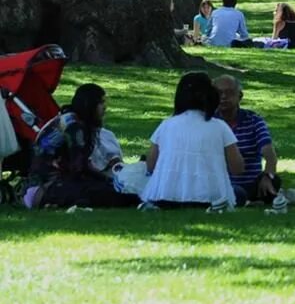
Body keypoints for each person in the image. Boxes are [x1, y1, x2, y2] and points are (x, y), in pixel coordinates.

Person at [142, 72, 243, 210]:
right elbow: (237, 168)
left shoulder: (166, 125)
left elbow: (150, 165)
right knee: (240, 194)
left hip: (163, 197)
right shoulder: (220, 126)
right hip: (211, 199)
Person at [27, 84, 136, 209]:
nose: (104, 107)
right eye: (100, 103)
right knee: (110, 193)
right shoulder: (74, 127)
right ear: (89, 104)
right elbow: (79, 168)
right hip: (46, 187)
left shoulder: (71, 120)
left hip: (51, 183)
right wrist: (107, 180)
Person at [212, 75, 281, 205]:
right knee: (235, 193)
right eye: (218, 93)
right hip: (222, 185)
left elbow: (270, 154)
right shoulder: (209, 122)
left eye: (229, 93)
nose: (223, 97)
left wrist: (267, 176)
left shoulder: (254, 120)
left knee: (274, 180)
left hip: (252, 185)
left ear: (240, 96)